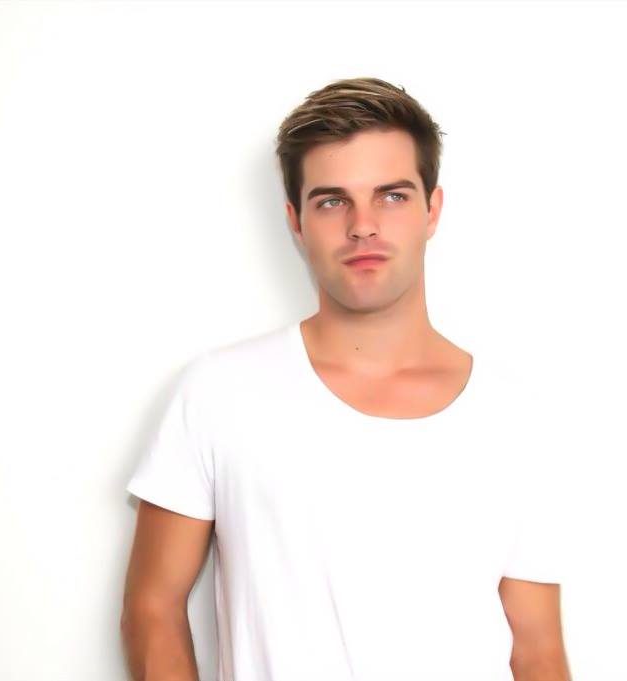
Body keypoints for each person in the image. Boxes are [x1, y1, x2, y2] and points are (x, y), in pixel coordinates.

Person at [121, 77, 572, 681]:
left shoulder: (512, 416)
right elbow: (151, 609)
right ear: (296, 220)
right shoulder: (218, 394)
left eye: (392, 196)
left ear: (432, 209)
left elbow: (537, 651)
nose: (363, 225)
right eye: (333, 201)